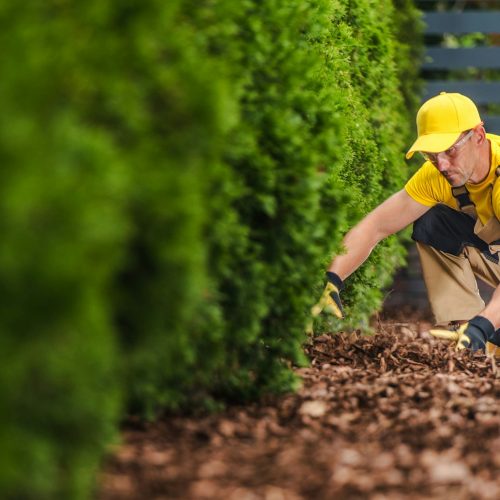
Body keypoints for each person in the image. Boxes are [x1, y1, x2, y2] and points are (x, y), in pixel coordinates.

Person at [312, 92, 500, 356]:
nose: (442, 164)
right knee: (433, 224)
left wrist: (486, 323)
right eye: (431, 155)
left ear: (478, 136)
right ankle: (467, 340)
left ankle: (480, 331)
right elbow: (376, 225)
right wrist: (332, 280)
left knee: (489, 325)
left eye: (450, 150)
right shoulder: (438, 174)